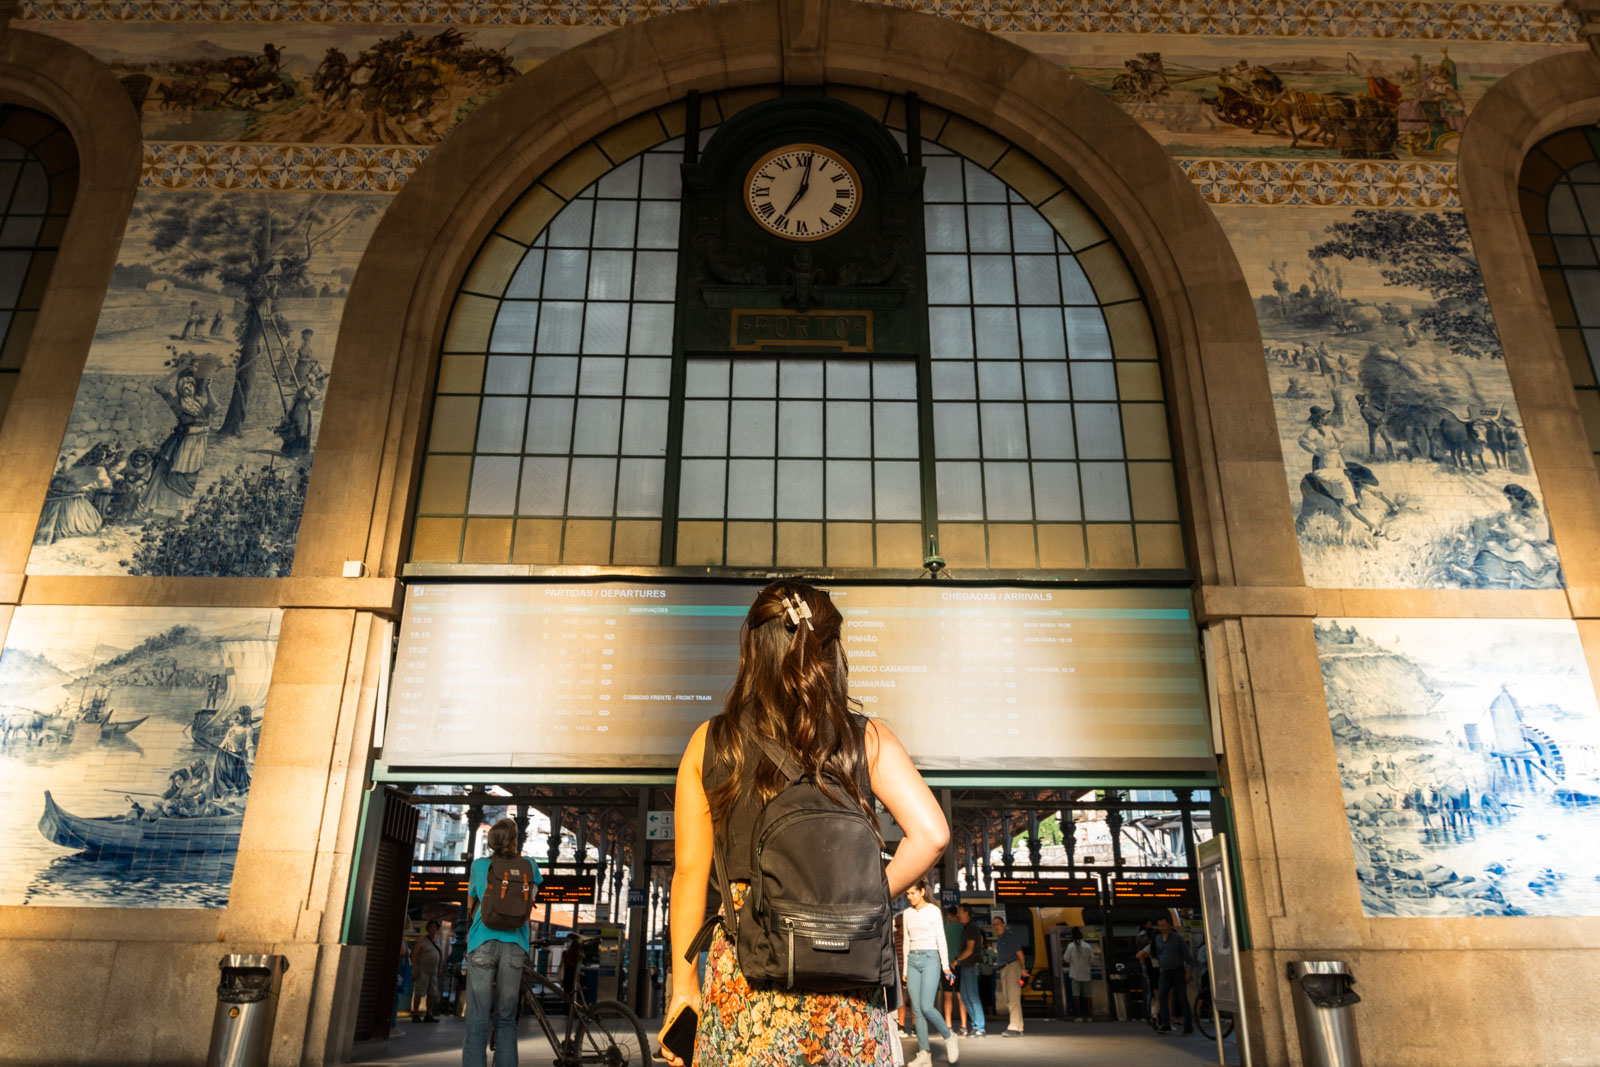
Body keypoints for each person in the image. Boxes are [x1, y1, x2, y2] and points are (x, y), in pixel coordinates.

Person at [660, 581, 950, 1067]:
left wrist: (683, 988)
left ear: (753, 649)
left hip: (748, 984)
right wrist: (864, 897)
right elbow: (933, 834)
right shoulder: (867, 738)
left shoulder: (712, 742)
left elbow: (689, 873)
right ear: (831, 648)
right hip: (847, 983)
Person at [464, 818, 540, 1067]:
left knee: (477, 1017)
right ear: (515, 840)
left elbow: (471, 903)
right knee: (506, 1017)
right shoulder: (529, 865)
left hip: (482, 942)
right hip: (515, 945)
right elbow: (530, 901)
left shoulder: (479, 866)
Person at [137, 365, 217, 518]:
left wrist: (208, 388)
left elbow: (215, 408)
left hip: (198, 445)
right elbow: (159, 387)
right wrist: (177, 370)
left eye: (191, 384)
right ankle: (149, 509)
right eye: (184, 384)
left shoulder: (200, 403)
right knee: (164, 473)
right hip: (181, 444)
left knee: (189, 478)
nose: (188, 387)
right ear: (180, 388)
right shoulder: (177, 402)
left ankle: (181, 513)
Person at [900, 879, 957, 1066]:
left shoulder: (933, 911)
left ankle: (949, 1036)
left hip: (931, 958)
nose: (910, 897)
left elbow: (941, 938)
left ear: (922, 891)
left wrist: (945, 966)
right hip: (913, 960)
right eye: (907, 894)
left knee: (926, 1007)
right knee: (916, 1010)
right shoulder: (907, 914)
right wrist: (906, 969)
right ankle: (924, 1053)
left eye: (913, 893)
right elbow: (906, 942)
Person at [1151, 916, 1194, 1035]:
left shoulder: (1178, 939)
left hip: (1178, 971)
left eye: (1164, 925)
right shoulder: (1158, 939)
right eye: (1160, 925)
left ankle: (1188, 1025)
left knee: (1182, 998)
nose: (1162, 928)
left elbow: (1187, 957)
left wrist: (1188, 971)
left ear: (1169, 925)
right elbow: (1159, 954)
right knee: (1162, 996)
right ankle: (1165, 1024)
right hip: (1165, 971)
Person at [950, 904, 986, 1039]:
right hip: (966, 967)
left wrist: (956, 960)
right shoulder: (967, 928)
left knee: (973, 997)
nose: (958, 915)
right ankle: (977, 1026)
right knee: (965, 997)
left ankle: (980, 1028)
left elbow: (969, 950)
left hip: (971, 966)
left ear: (967, 913)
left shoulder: (971, 928)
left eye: (960, 912)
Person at [991, 914, 1027, 1037]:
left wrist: (1022, 968)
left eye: (998, 923)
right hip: (1005, 968)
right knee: (1011, 998)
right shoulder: (1001, 938)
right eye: (994, 924)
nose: (996, 926)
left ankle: (1013, 1027)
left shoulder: (1009, 936)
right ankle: (1019, 1027)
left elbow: (1020, 954)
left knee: (1012, 998)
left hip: (1012, 967)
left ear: (1003, 924)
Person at [411, 919, 445, 1022]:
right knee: (419, 992)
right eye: (431, 927)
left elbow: (440, 955)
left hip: (434, 972)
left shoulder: (438, 939)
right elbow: (415, 955)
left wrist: (440, 968)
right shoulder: (422, 940)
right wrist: (415, 969)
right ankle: (416, 1014)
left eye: (435, 927)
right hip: (423, 971)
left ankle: (428, 1014)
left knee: (433, 993)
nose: (433, 929)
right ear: (427, 929)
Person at [942, 906, 967, 1036]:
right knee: (960, 995)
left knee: (948, 995)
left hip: (946, 966)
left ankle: (948, 1026)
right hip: (960, 965)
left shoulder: (944, 929)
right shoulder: (963, 929)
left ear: (949, 916)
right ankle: (963, 1026)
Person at [1063, 928, 1094, 1023]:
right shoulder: (1088, 946)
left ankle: (1079, 1016)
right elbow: (1092, 960)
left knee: (1076, 995)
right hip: (1086, 974)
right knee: (1088, 995)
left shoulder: (1071, 946)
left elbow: (1066, 959)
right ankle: (1089, 1016)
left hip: (1075, 974)